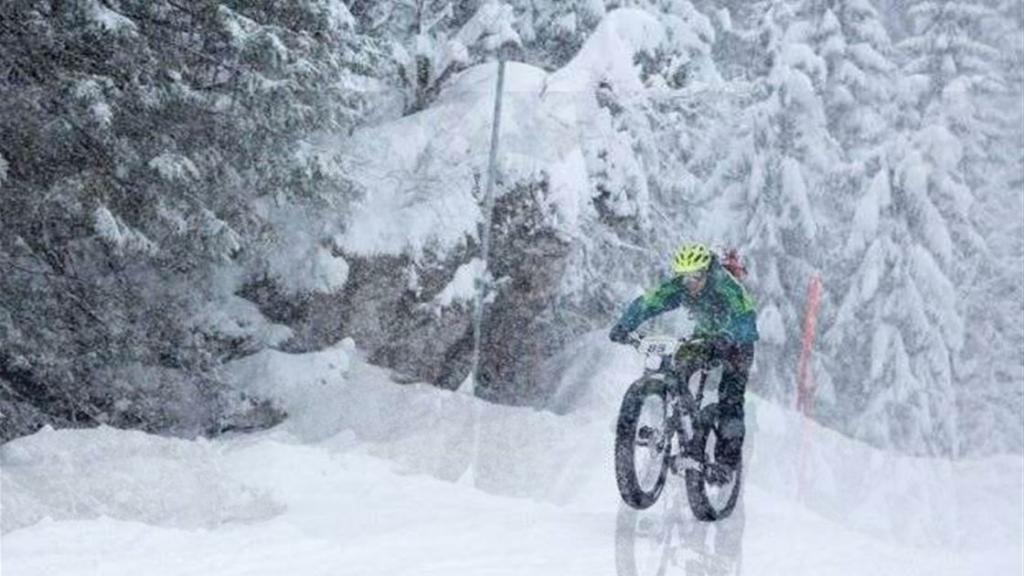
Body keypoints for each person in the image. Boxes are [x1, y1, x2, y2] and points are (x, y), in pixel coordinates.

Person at [609, 243, 758, 476]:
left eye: (695, 276)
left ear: (707, 271)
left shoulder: (726, 285)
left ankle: (726, 464)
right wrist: (624, 325)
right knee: (676, 364)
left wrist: (730, 336)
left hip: (738, 343)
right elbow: (651, 301)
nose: (690, 282)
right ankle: (674, 419)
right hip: (705, 337)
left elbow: (746, 316)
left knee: (730, 397)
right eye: (685, 276)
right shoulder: (682, 286)